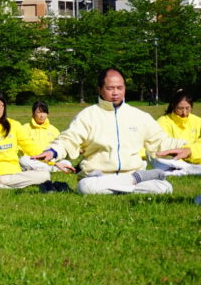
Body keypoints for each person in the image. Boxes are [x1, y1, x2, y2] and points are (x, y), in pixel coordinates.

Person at [34, 68, 187, 195]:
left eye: (120, 88)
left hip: (130, 173)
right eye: (110, 88)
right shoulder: (88, 115)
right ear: (99, 89)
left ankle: (125, 185)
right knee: (86, 186)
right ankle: (131, 185)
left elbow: (161, 141)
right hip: (100, 177)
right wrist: (53, 151)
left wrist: (188, 148)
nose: (116, 93)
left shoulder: (139, 116)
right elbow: (69, 138)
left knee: (166, 188)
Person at [151, 89, 201, 177]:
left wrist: (190, 151)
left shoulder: (198, 121)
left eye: (187, 108)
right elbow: (156, 144)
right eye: (180, 108)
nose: (184, 112)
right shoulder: (163, 122)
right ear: (173, 106)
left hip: (196, 160)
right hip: (172, 161)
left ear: (191, 107)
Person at [18, 101, 71, 173]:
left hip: (50, 160)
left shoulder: (53, 130)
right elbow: (17, 147)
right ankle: (51, 169)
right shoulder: (24, 128)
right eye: (39, 112)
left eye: (44, 112)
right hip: (33, 159)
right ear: (33, 114)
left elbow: (60, 146)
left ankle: (39, 169)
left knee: (67, 163)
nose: (42, 115)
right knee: (22, 160)